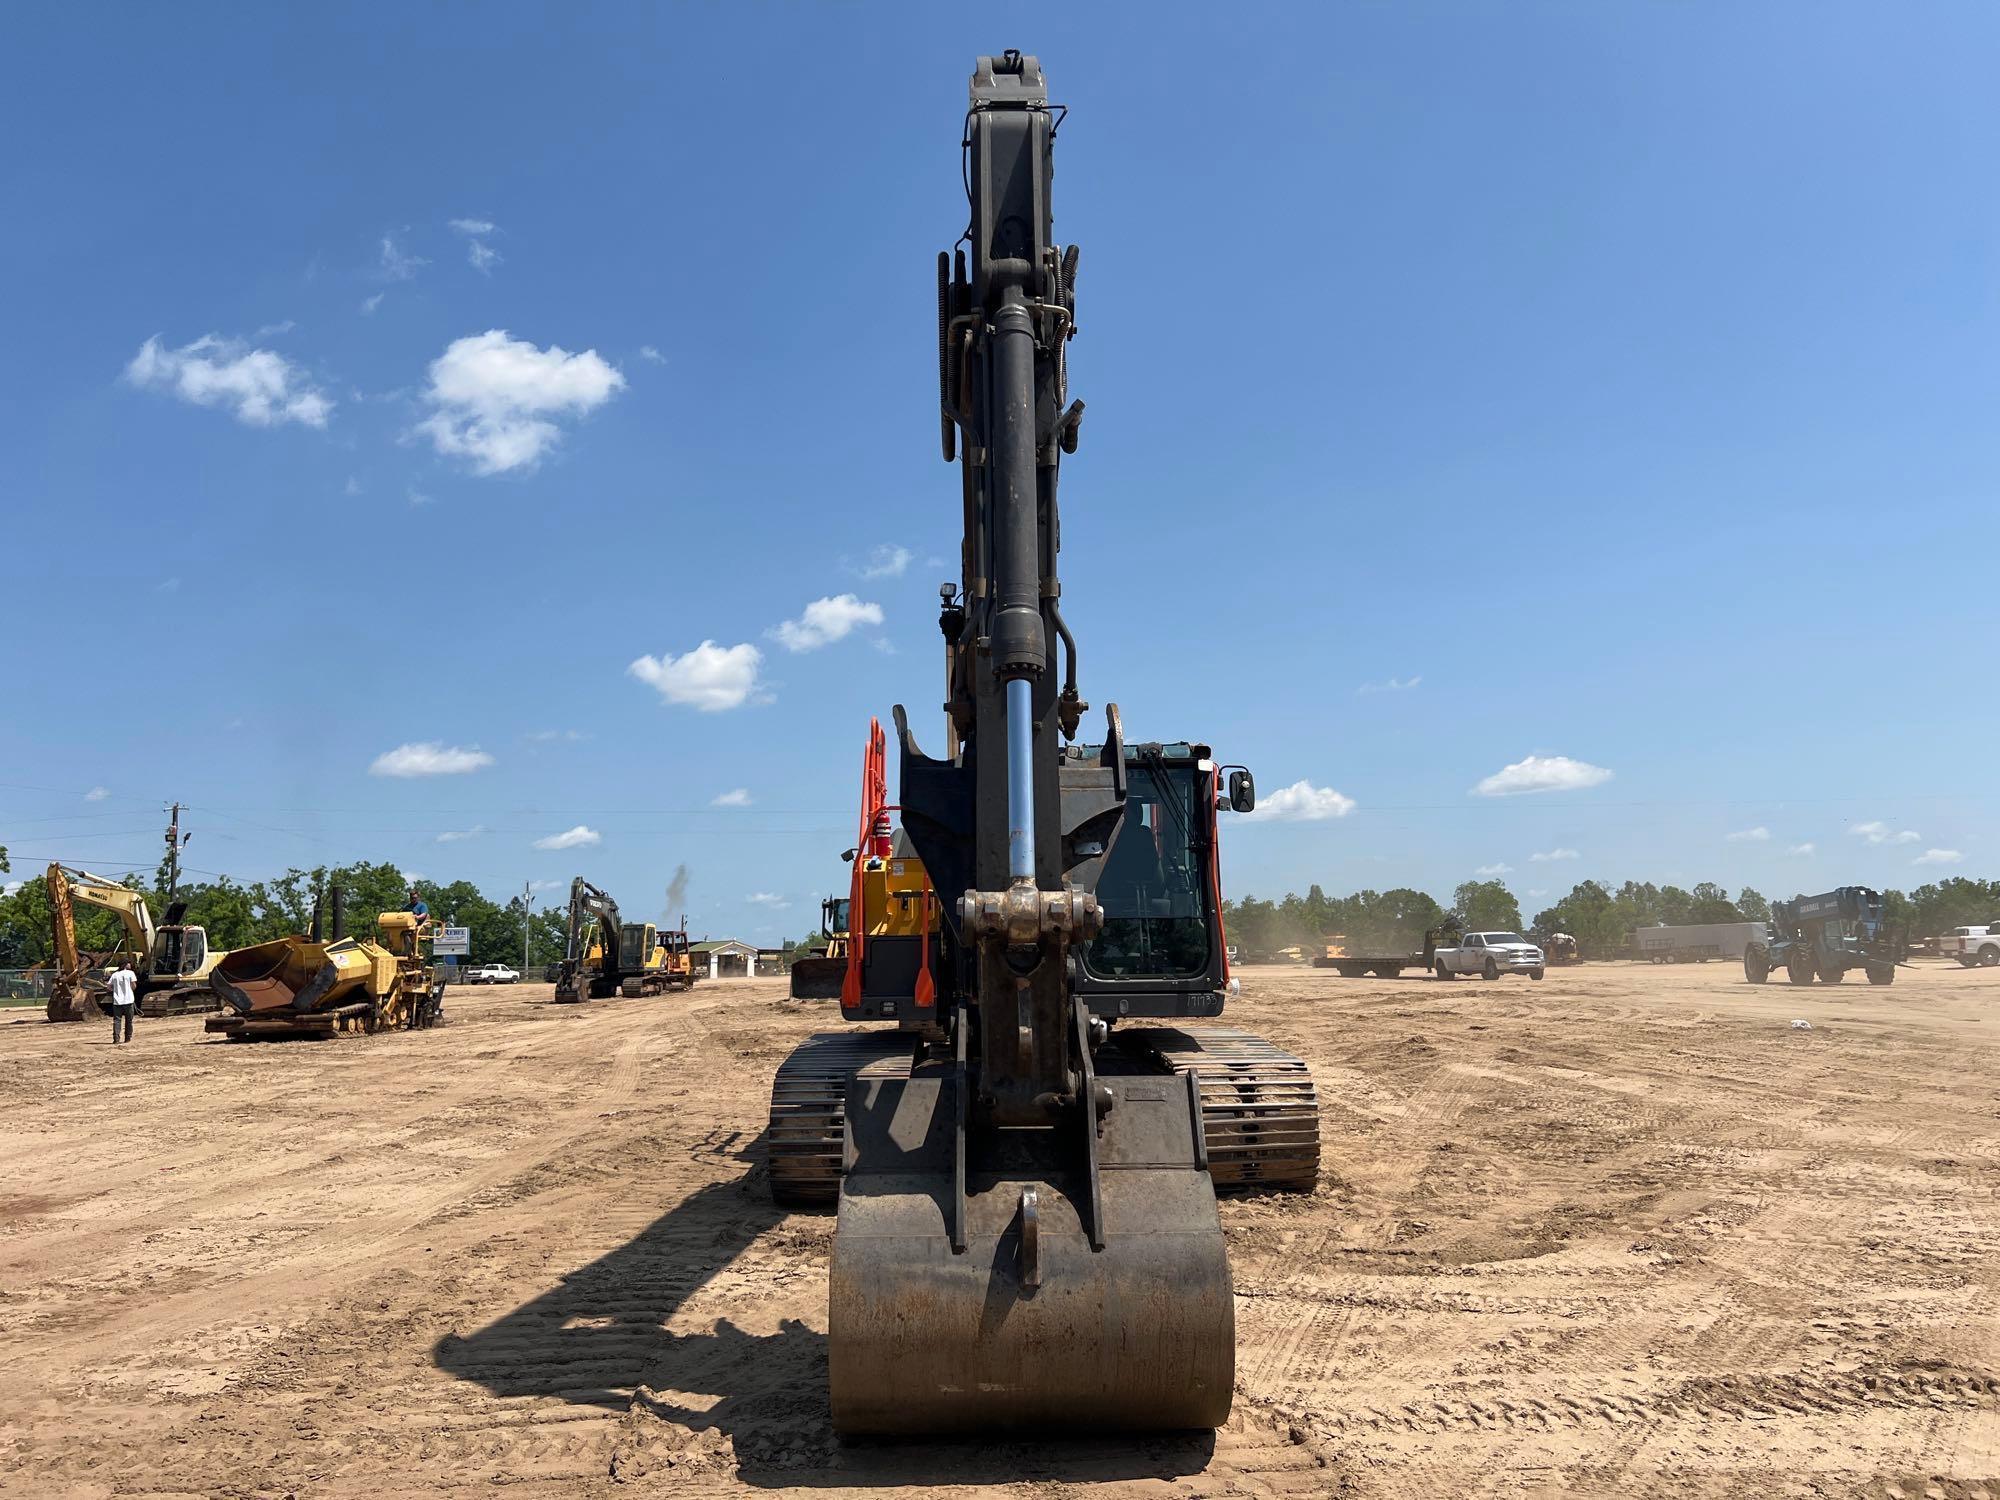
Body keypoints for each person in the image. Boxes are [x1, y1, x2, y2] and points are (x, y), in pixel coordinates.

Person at [107, 959, 138, 1045]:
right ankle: (127, 1038)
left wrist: (115, 990)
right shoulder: (130, 973)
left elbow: (108, 987)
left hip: (117, 1001)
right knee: (129, 1020)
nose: (130, 965)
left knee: (117, 1020)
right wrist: (129, 991)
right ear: (125, 965)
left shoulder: (114, 975)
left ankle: (116, 1039)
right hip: (129, 1000)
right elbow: (134, 985)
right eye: (129, 963)